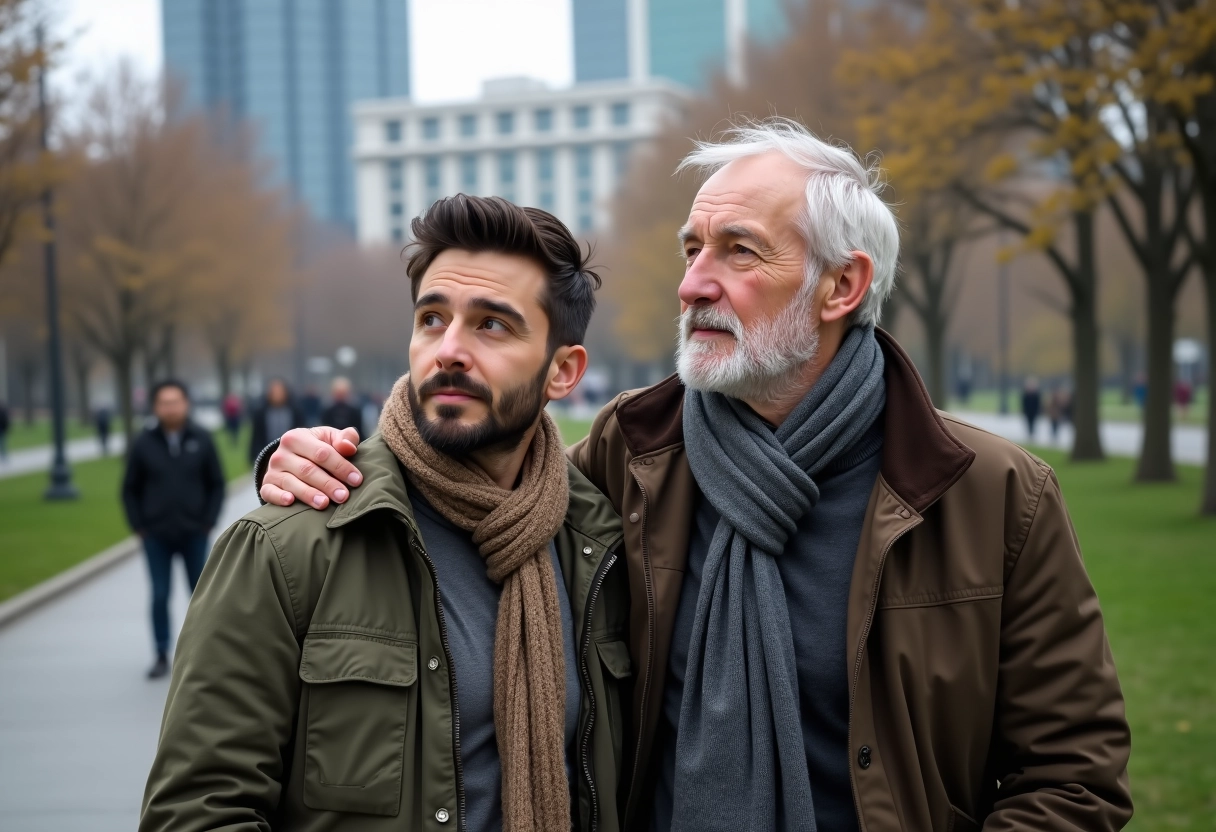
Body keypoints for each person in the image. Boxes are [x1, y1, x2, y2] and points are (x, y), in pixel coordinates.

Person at [261, 120, 1132, 831]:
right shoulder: (627, 454)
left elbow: (1074, 771)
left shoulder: (992, 495)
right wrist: (314, 459)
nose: (692, 284)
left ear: (841, 286)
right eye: (691, 248)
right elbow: (472, 497)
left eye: (738, 252)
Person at [140, 196, 632, 832]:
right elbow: (197, 813)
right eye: (432, 318)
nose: (448, 350)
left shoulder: (600, 545)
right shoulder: (286, 547)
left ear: (562, 371)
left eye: (492, 325)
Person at [120, 380, 225, 680]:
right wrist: (139, 526)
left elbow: (216, 483)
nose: (170, 408)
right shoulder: (143, 443)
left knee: (201, 595)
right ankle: (161, 653)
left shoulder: (202, 439)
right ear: (155, 407)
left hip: (195, 532)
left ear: (186, 403)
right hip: (156, 535)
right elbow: (129, 489)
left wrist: (208, 521)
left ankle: (205, 655)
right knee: (159, 594)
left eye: (175, 401)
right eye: (164, 402)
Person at [247, 378, 304, 465]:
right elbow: (256, 436)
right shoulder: (261, 413)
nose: (277, 395)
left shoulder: (294, 411)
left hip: (291, 454)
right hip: (267, 453)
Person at [1021, 375, 1042, 440]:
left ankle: (1032, 433)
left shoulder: (1036, 394)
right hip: (1028, 411)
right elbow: (1023, 403)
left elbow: (1038, 403)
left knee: (1033, 422)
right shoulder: (1026, 393)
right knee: (1028, 422)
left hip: (1034, 411)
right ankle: (1030, 433)